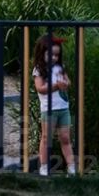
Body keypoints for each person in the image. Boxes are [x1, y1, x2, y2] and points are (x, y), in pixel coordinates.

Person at [32, 33, 77, 176]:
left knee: (65, 138)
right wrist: (57, 86)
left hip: (63, 109)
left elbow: (68, 81)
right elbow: (40, 88)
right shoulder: (39, 70)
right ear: (42, 53)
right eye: (50, 54)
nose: (54, 58)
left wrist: (65, 83)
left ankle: (71, 168)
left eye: (57, 55)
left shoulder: (60, 67)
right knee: (46, 138)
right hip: (49, 110)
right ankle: (44, 167)